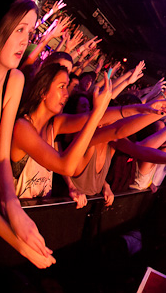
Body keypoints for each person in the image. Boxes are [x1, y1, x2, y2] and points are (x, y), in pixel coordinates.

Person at [0, 0, 55, 269]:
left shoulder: (15, 80)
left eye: (30, 33)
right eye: (19, 29)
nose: (25, 41)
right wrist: (23, 249)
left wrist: (13, 204)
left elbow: (3, 158)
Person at [10, 62, 112, 201]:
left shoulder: (53, 125)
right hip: (18, 211)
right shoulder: (23, 127)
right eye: (62, 86)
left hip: (40, 210)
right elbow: (66, 167)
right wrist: (97, 112)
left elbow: (109, 119)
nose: (66, 94)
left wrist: (141, 109)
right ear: (43, 92)